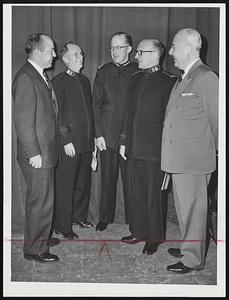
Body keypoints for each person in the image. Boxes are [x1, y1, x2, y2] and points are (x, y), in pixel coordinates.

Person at [161, 29, 218, 273]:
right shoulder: (185, 77)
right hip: (179, 159)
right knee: (185, 209)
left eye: (174, 46)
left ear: (189, 47)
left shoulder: (205, 77)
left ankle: (192, 259)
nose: (171, 52)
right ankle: (189, 247)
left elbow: (218, 121)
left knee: (194, 210)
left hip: (194, 160)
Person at [119, 39, 176, 254]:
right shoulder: (135, 79)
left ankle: (154, 237)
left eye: (141, 53)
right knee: (136, 193)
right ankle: (139, 230)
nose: (136, 56)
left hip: (155, 152)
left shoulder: (168, 81)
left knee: (155, 196)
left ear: (155, 54)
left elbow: (170, 120)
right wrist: (124, 142)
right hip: (133, 148)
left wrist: (167, 151)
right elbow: (127, 112)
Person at [12, 33, 59, 263]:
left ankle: (39, 239)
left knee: (42, 199)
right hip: (37, 154)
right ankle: (35, 250)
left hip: (44, 151)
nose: (54, 55)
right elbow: (22, 121)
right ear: (38, 51)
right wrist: (34, 153)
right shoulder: (26, 77)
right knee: (40, 201)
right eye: (51, 50)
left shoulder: (37, 75)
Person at [92, 32, 138, 231]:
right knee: (107, 180)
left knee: (131, 181)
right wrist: (98, 134)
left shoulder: (138, 72)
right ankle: (105, 217)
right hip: (107, 137)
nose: (115, 51)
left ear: (129, 49)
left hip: (130, 137)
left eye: (119, 47)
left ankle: (133, 219)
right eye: (112, 47)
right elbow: (96, 105)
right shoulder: (103, 72)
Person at [52, 42, 95, 240]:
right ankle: (62, 225)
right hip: (69, 143)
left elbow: (89, 114)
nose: (82, 57)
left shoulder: (85, 81)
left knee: (83, 183)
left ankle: (79, 216)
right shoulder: (58, 82)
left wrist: (93, 142)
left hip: (86, 142)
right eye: (77, 54)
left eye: (82, 53)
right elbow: (57, 114)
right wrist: (66, 138)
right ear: (66, 59)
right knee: (66, 185)